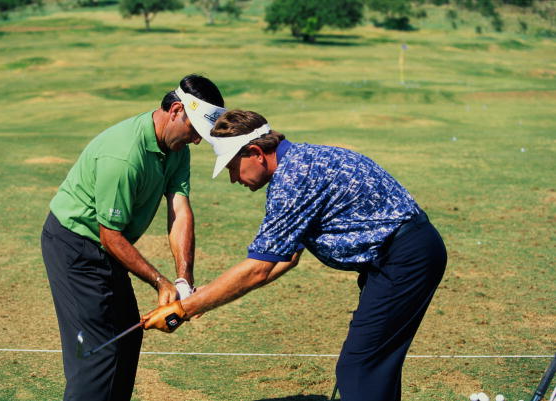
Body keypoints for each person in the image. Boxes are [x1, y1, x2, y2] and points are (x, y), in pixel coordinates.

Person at [143, 109, 448, 401]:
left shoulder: (293, 179)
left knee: (358, 366)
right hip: (401, 255)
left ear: (256, 153)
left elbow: (258, 269)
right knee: (372, 364)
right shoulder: (300, 161)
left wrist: (183, 309)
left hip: (405, 258)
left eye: (233, 167)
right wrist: (203, 301)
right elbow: (285, 258)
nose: (233, 179)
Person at [40, 74, 226, 401]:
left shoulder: (176, 148)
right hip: (75, 246)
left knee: (125, 338)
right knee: (102, 352)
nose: (197, 141)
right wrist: (160, 282)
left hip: (106, 247)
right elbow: (109, 235)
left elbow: (180, 210)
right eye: (195, 130)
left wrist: (183, 279)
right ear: (175, 111)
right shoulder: (124, 156)